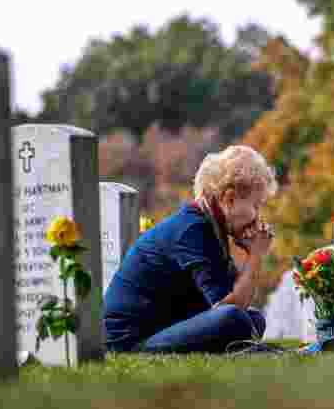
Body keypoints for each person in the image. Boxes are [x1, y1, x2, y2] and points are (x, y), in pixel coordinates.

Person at [103, 145, 277, 353]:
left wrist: (250, 254)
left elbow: (235, 295)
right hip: (130, 342)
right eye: (255, 206)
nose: (257, 217)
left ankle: (236, 348)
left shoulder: (208, 225)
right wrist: (256, 255)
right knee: (234, 318)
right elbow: (227, 307)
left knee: (254, 318)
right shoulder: (194, 229)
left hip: (160, 329)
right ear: (229, 199)